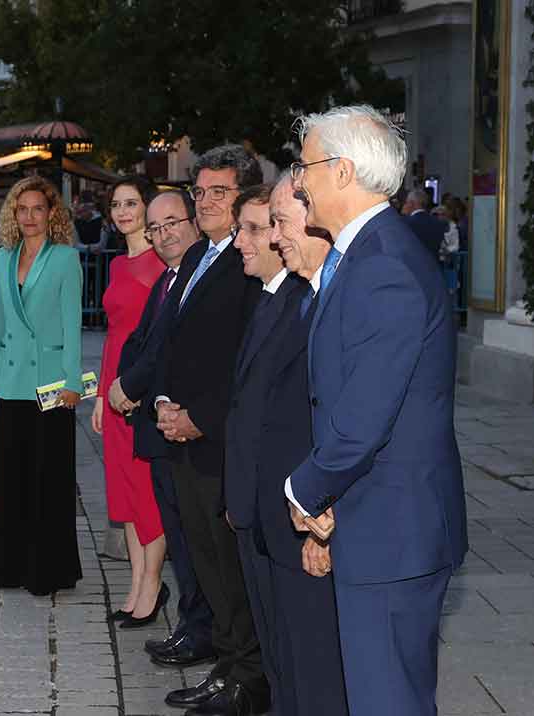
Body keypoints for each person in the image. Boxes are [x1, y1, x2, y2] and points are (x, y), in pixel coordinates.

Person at [286, 105, 467, 716]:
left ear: (341, 170)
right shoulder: (368, 253)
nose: (299, 181)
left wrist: (304, 489)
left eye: (304, 166)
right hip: (380, 523)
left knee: (387, 701)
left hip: (393, 532)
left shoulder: (383, 263)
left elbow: (364, 417)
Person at [148, 145, 268, 715]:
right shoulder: (201, 257)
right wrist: (168, 404)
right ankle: (225, 665)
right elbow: (178, 342)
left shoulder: (249, 264)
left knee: (230, 567)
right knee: (203, 560)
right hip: (185, 437)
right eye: (200, 192)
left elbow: (245, 360)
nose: (205, 202)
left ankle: (245, 677)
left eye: (218, 192)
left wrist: (198, 417)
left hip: (220, 441)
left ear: (245, 195)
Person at [245, 173, 349, 716]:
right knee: (289, 668)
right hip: (280, 514)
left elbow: (346, 425)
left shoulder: (341, 296)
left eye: (280, 223)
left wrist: (322, 522)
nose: (274, 237)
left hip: (312, 520)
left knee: (318, 675)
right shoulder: (299, 296)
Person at [111, 189, 216, 666]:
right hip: (158, 422)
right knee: (182, 537)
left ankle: (202, 632)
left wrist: (130, 386)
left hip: (189, 428)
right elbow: (142, 341)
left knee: (194, 540)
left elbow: (165, 352)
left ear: (191, 221)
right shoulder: (170, 279)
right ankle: (193, 626)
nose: (163, 234)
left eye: (171, 222)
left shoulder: (200, 273)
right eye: (155, 228)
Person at [0, 175, 83, 596]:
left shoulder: (65, 259)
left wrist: (73, 381)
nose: (30, 216)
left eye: (38, 208)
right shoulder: (3, 258)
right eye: (22, 209)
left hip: (53, 384)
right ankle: (11, 566)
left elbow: (73, 326)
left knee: (50, 479)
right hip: (12, 381)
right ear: (13, 215)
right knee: (12, 479)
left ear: (51, 213)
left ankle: (49, 570)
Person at [89, 176, 170, 627]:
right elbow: (111, 337)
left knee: (146, 493)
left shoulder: (161, 264)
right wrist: (102, 395)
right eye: (116, 204)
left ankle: (153, 585)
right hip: (115, 386)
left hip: (141, 389)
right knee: (123, 493)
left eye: (132, 203)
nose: (123, 212)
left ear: (148, 207)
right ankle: (137, 582)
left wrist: (141, 390)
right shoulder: (120, 264)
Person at [401, 188, 446, 257]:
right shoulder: (438, 222)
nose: (405, 205)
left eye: (406, 202)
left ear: (412, 203)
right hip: (434, 264)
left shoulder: (406, 223)